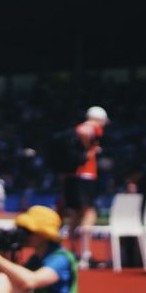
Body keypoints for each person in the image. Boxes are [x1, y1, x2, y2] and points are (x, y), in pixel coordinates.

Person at [60, 106, 108, 267]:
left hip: (73, 178)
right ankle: (85, 255)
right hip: (84, 177)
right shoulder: (90, 128)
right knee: (89, 213)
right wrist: (89, 147)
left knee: (75, 216)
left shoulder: (78, 132)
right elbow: (84, 131)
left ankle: (73, 252)